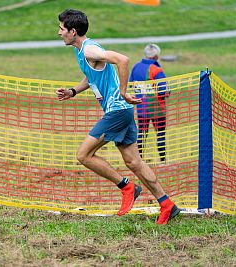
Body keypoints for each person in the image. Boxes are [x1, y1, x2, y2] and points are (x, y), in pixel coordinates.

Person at [56, 9, 179, 224]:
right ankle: (167, 203)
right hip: (121, 111)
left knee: (83, 155)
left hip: (117, 111)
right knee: (134, 161)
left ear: (72, 31)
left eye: (61, 29)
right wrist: (73, 91)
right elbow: (91, 76)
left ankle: (127, 187)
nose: (59, 33)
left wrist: (123, 91)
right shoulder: (82, 51)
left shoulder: (89, 50)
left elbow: (122, 60)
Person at [129, 44, 169, 163]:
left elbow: (131, 83)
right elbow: (164, 91)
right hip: (157, 109)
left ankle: (139, 161)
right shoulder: (157, 70)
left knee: (142, 134)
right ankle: (163, 161)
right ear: (156, 56)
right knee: (160, 134)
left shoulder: (136, 67)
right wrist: (168, 92)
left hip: (141, 107)